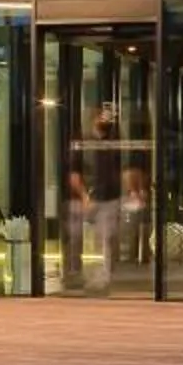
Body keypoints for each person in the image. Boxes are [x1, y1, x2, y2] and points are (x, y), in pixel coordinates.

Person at [65, 104, 129, 294]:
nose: (107, 120)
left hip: (109, 197)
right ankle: (74, 273)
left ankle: (104, 278)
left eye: (109, 117)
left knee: (106, 238)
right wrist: (84, 196)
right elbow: (74, 173)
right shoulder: (84, 141)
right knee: (75, 235)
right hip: (85, 197)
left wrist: (129, 191)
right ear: (95, 117)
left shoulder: (115, 141)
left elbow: (123, 169)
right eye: (103, 116)